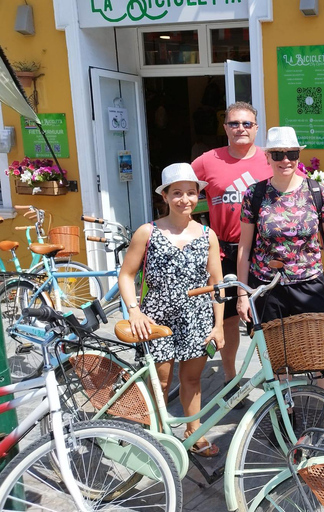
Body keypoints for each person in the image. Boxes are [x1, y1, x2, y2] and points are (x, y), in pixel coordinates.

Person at [236, 126, 324, 423]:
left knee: (323, 356)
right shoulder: (254, 194)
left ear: (299, 155)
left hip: (310, 284)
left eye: (292, 153)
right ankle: (287, 416)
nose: (286, 160)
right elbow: (244, 248)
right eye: (278, 154)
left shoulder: (317, 191)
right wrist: (242, 294)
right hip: (268, 287)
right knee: (278, 358)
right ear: (268, 156)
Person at [119, 163, 224, 457]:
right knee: (159, 381)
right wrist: (134, 311)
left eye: (191, 193)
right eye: (177, 193)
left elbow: (217, 284)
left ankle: (194, 433)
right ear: (164, 196)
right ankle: (155, 437)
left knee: (192, 380)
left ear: (198, 196)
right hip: (156, 317)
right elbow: (127, 275)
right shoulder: (147, 232)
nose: (185, 199)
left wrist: (218, 326)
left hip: (196, 317)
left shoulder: (207, 235)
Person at [191, 101, 272, 407]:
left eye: (247, 124)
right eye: (234, 123)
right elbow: (182, 192)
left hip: (262, 252)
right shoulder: (207, 161)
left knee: (264, 321)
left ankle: (272, 383)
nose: (241, 129)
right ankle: (230, 379)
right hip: (223, 252)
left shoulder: (269, 159)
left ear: (256, 127)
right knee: (225, 319)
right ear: (225, 127)